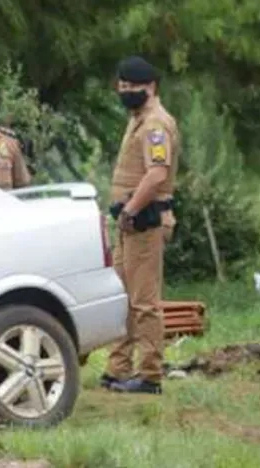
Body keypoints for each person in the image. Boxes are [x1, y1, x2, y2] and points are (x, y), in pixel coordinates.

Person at [99, 55, 181, 395]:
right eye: (123, 87)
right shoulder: (138, 119)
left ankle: (149, 375)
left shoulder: (154, 125)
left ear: (151, 87)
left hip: (144, 222)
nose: (127, 92)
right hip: (129, 223)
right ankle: (118, 368)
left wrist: (130, 210)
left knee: (144, 302)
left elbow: (157, 174)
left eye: (134, 87)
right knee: (121, 296)